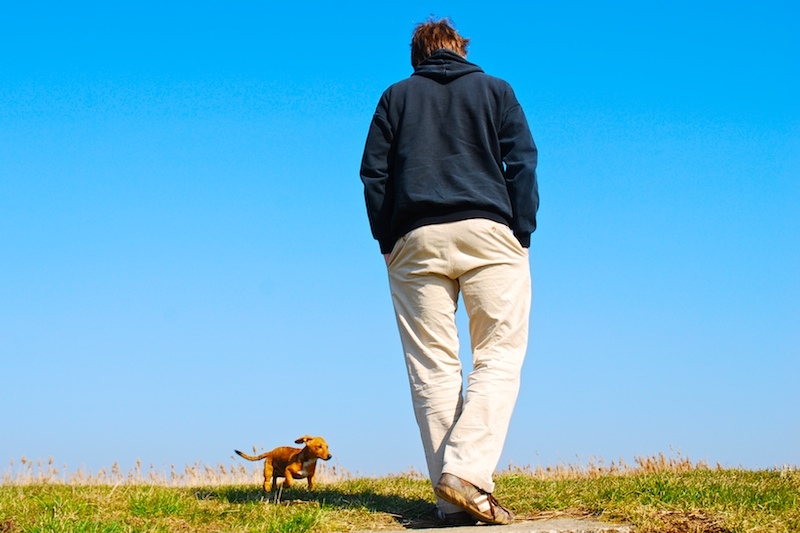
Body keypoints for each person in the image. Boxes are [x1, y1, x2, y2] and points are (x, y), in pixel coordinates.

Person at [359, 17, 538, 526]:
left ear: (417, 56)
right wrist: (521, 230)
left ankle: (451, 500)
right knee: (498, 357)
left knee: (432, 368)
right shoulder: (496, 90)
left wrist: (387, 239)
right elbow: (522, 162)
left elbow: (373, 172)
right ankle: (466, 474)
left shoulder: (395, 97)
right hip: (489, 231)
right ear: (460, 48)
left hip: (415, 239)